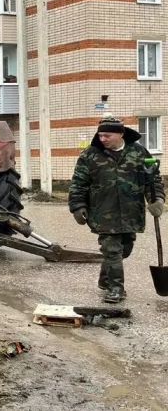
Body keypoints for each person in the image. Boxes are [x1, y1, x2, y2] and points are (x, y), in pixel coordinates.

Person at [68, 113, 164, 303]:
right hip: (103, 211)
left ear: (120, 134)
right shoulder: (91, 154)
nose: (102, 139)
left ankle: (105, 279)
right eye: (100, 136)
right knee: (112, 250)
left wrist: (157, 199)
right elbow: (78, 183)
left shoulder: (139, 152)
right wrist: (77, 206)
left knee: (125, 250)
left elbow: (152, 179)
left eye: (107, 136)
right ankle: (116, 288)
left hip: (131, 212)